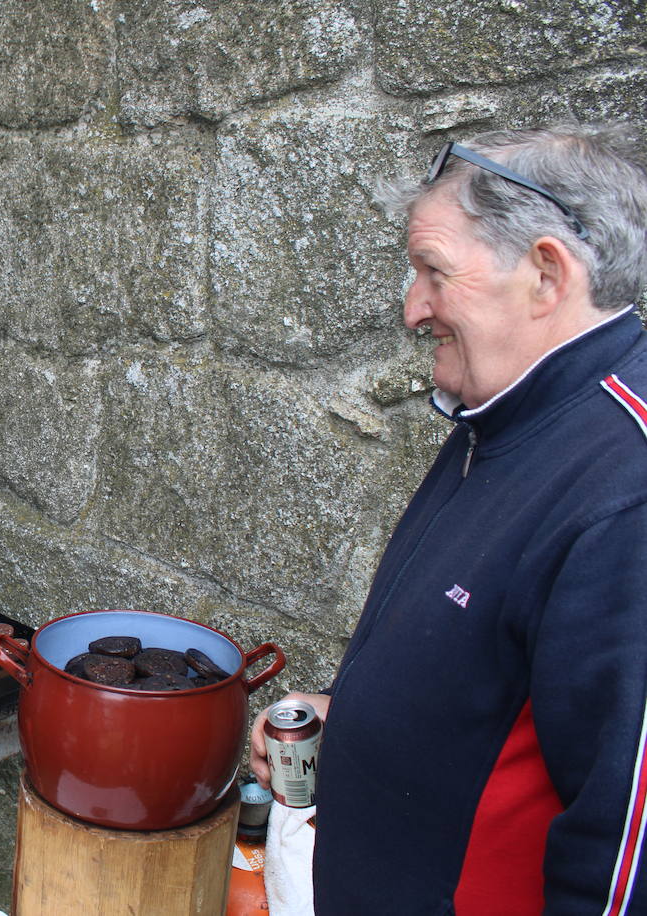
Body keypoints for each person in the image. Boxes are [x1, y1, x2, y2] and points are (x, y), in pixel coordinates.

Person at [249, 124, 647, 913]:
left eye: (434, 272)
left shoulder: (624, 489)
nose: (411, 309)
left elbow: (624, 854)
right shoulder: (504, 414)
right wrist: (358, 722)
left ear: (545, 273)